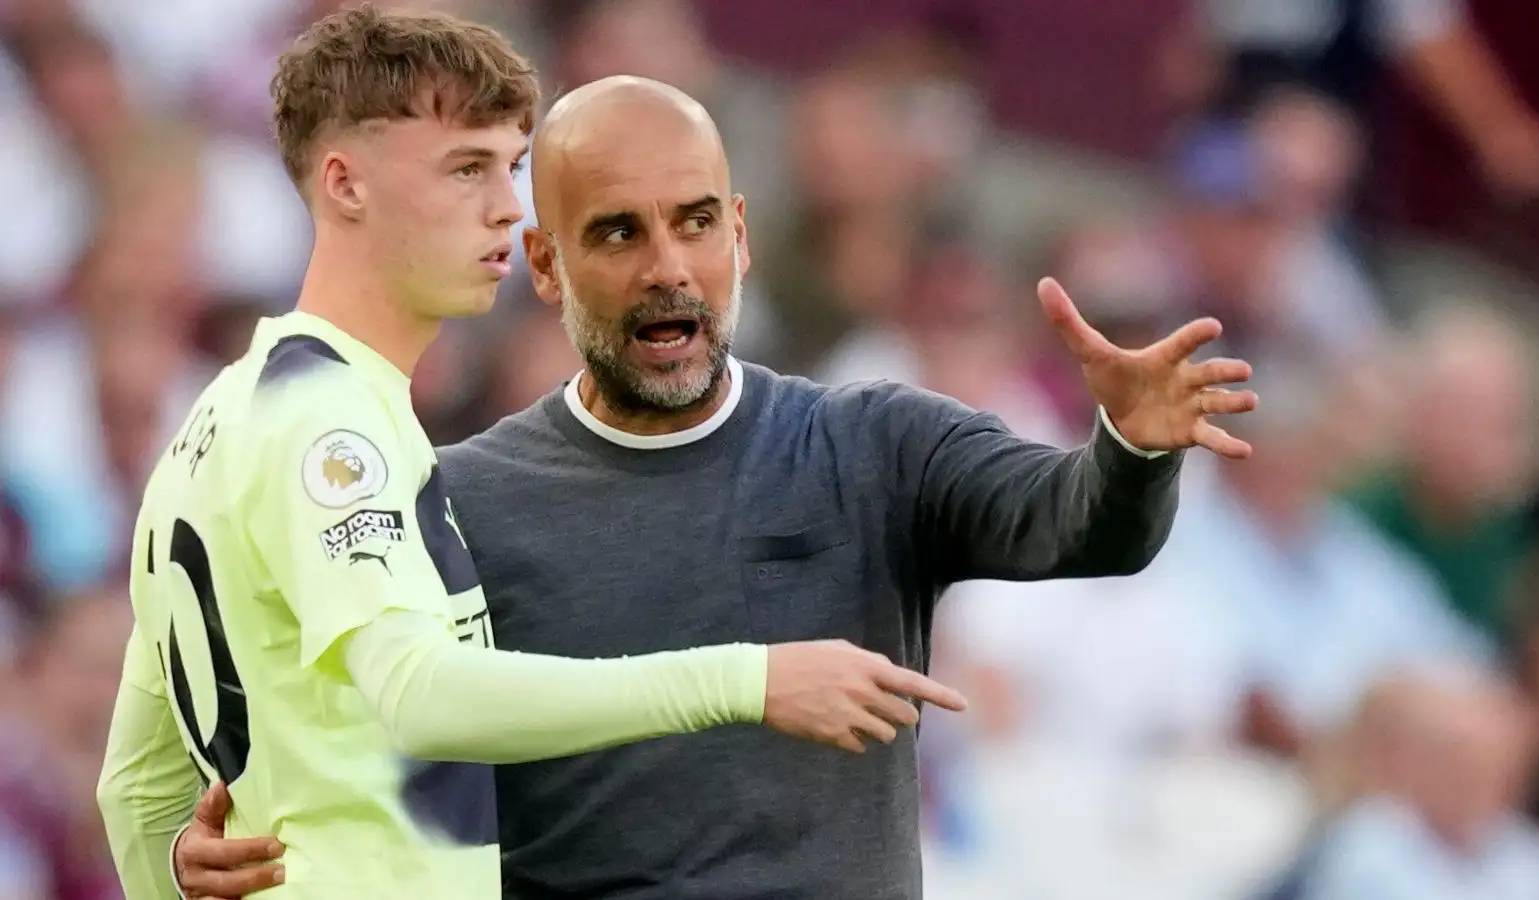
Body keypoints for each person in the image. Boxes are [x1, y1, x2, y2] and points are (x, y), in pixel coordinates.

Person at [172, 74, 1258, 900]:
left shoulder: (871, 442)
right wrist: (203, 850)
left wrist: (1132, 446)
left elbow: (1074, 526)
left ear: (738, 233)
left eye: (694, 222)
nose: (667, 267)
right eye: (617, 233)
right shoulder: (449, 500)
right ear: (543, 266)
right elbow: (331, 748)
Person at [93, 14, 965, 900]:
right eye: (467, 168)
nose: (510, 209)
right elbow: (420, 695)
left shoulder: (222, 417)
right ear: (346, 184)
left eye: (511, 168)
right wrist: (749, 677)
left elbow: (137, 790)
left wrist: (171, 874)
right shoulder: (331, 428)